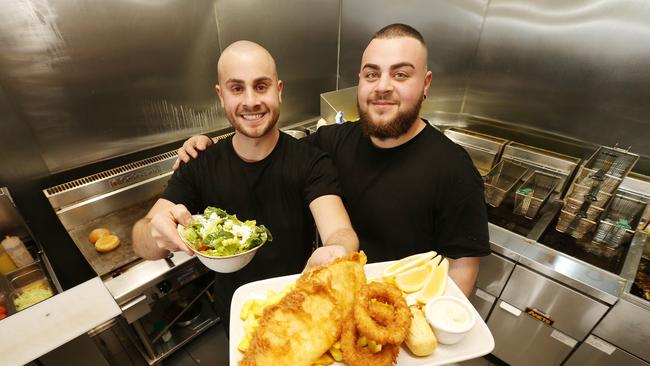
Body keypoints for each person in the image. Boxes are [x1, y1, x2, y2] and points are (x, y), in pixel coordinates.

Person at [174, 24, 490, 297]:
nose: (382, 86)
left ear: (426, 84)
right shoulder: (333, 141)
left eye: (401, 74)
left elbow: (461, 270)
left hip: (403, 314)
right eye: (371, 74)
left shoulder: (454, 169)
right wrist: (211, 145)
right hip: (334, 305)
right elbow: (268, 146)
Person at [132, 40, 359, 329]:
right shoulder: (199, 162)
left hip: (299, 309)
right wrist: (156, 233)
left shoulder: (310, 161)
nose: (251, 101)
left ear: (278, 90)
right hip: (236, 315)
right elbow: (143, 240)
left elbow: (340, 231)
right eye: (237, 88)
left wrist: (337, 252)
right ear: (221, 95)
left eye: (261, 86)